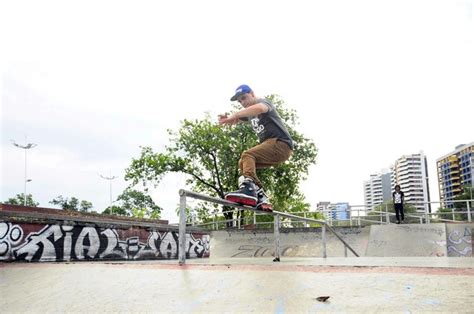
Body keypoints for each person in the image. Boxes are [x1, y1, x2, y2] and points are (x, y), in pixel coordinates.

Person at [218, 84, 294, 212]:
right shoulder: (249, 113)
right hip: (274, 149)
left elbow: (259, 108)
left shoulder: (263, 102)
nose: (242, 102)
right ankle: (260, 195)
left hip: (280, 143)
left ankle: (249, 190)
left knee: (248, 154)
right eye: (240, 101)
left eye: (244, 98)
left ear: (252, 94)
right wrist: (230, 119)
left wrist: (235, 114)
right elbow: (243, 116)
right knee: (243, 163)